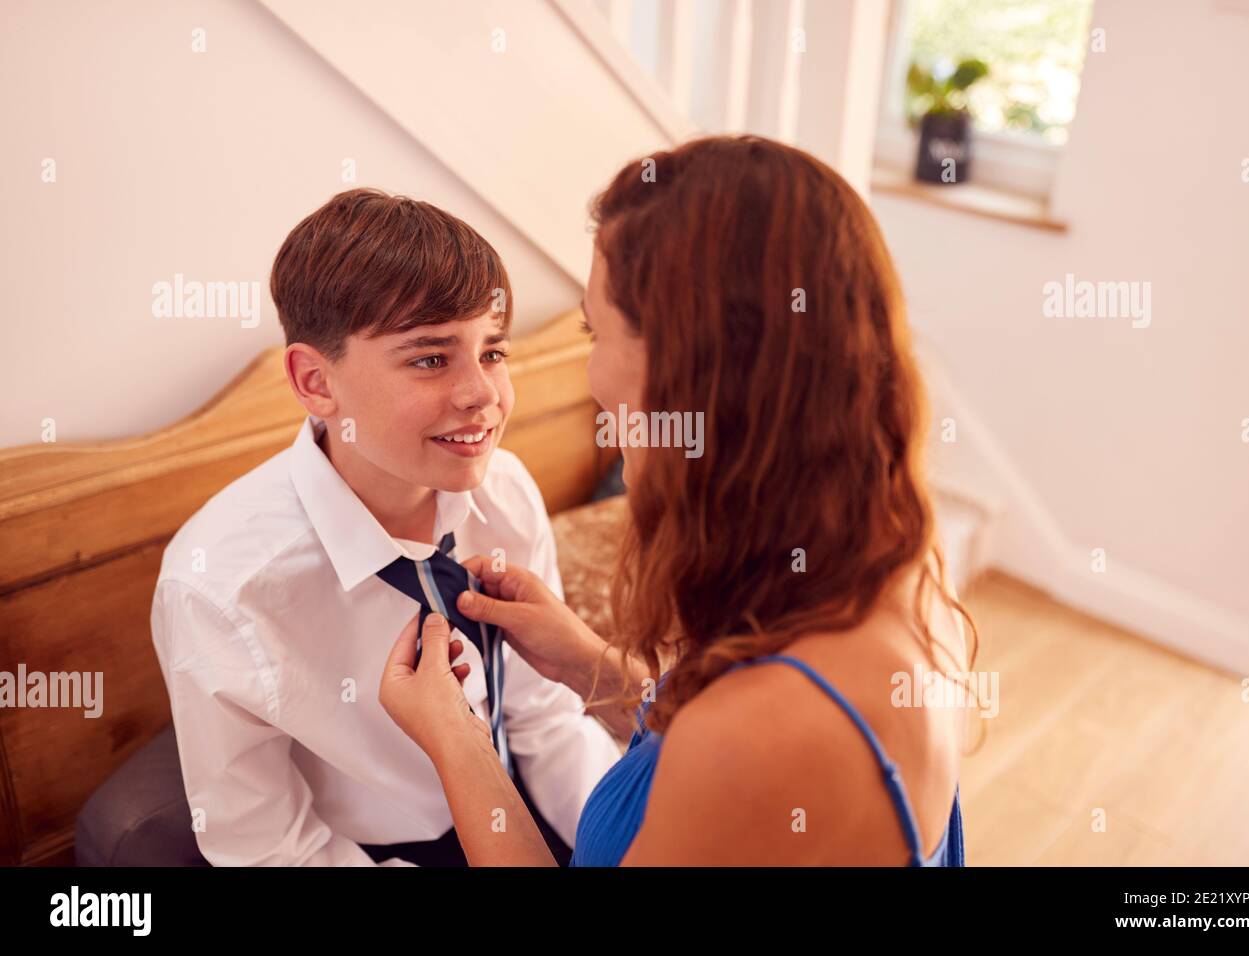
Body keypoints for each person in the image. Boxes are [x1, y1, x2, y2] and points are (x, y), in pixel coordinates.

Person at [380, 135, 977, 866]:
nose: (593, 380)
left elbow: (736, 757)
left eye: (597, 332)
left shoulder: (768, 736)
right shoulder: (888, 560)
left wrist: (456, 743)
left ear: (693, 375)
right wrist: (585, 663)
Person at [151, 188, 621, 866]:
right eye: (431, 359)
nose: (484, 396)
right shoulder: (221, 587)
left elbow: (544, 720)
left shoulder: (506, 489)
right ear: (316, 382)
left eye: (492, 352)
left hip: (529, 812)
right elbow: (265, 845)